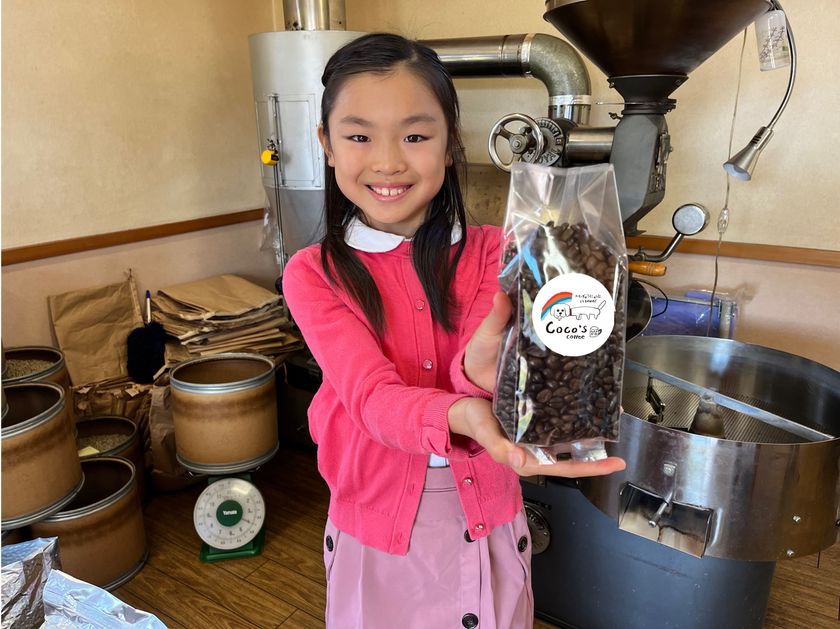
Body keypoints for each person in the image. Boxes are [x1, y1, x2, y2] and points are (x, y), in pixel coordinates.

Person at [282, 32, 625, 629]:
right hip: (374, 526)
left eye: (415, 136)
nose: (388, 162)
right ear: (327, 145)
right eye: (359, 136)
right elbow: (370, 398)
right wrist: (463, 411)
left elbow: (496, 370)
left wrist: (500, 373)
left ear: (449, 146)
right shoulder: (315, 273)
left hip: (489, 513)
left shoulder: (498, 252)